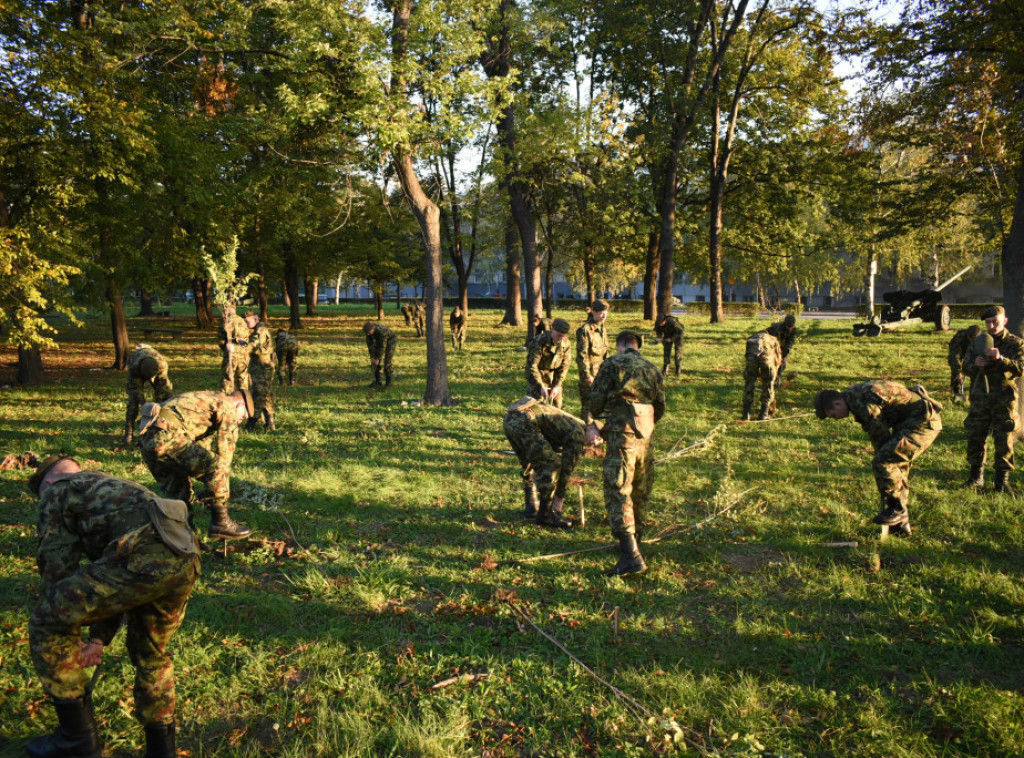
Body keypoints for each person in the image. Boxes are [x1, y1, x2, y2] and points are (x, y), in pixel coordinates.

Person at [24, 455, 200, 758]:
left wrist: (68, 625)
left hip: (141, 559)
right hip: (185, 558)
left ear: (49, 482)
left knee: (47, 621)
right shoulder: (111, 487)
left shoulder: (58, 490)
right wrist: (97, 639)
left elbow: (56, 564)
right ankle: (162, 752)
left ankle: (76, 741)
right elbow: (113, 574)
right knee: (151, 655)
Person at [587, 330, 666, 576]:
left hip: (623, 431)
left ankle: (630, 555)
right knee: (641, 487)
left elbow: (595, 399)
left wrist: (597, 419)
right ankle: (636, 540)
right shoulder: (652, 368)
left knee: (618, 487)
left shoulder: (612, 363)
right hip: (646, 432)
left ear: (620, 345)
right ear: (638, 346)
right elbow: (661, 405)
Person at [814, 380, 943, 529]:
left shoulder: (861, 400)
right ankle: (900, 523)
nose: (835, 419)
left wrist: (883, 481)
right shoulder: (853, 396)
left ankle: (897, 509)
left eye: (832, 415)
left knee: (884, 461)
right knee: (894, 465)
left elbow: (879, 434)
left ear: (837, 404)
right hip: (912, 422)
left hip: (923, 424)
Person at [138, 389, 254, 540]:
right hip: (168, 437)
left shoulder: (208, 399)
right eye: (243, 415)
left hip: (148, 439)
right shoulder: (227, 405)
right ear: (240, 404)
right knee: (219, 466)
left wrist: (209, 487)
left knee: (179, 494)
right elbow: (225, 450)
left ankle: (185, 540)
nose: (242, 420)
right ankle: (221, 523)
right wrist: (219, 493)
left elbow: (200, 449)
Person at [503, 397, 598, 528]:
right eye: (597, 436)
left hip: (510, 418)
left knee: (530, 461)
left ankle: (532, 507)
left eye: (601, 442)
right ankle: (546, 516)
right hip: (525, 421)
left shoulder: (574, 423)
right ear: (591, 426)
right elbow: (566, 469)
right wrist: (559, 499)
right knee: (552, 465)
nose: (596, 443)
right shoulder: (578, 434)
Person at [962, 305, 1024, 494]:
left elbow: (1020, 368)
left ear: (1004, 321)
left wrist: (1001, 358)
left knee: (1004, 440)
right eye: (987, 322)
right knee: (975, 436)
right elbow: (965, 367)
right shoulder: (978, 342)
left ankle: (1002, 482)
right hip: (980, 398)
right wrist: (975, 364)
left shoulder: (1015, 343)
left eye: (995, 321)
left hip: (1004, 400)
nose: (991, 326)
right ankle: (976, 478)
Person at [123, 345, 174, 446]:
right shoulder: (134, 366)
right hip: (138, 370)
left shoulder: (161, 365)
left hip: (157, 369)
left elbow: (162, 391)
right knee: (134, 401)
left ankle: (165, 429)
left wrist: (158, 408)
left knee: (166, 398)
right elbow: (136, 391)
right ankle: (128, 432)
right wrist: (144, 406)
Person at [526, 318, 573, 408]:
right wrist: (540, 385)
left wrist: (557, 385)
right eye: (559, 335)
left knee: (557, 407)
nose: (561, 338)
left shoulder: (566, 343)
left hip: (553, 376)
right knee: (536, 408)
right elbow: (532, 366)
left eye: (564, 336)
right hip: (537, 376)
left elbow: (564, 366)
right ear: (552, 330)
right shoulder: (539, 342)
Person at [576, 299, 609, 424]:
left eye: (606, 312)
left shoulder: (603, 329)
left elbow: (605, 353)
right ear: (593, 312)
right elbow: (582, 356)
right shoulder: (585, 330)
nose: (604, 315)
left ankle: (597, 433)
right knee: (588, 407)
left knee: (600, 405)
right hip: (590, 376)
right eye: (600, 312)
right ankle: (585, 436)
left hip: (601, 375)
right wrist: (587, 376)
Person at [741, 330, 783, 421]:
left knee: (749, 384)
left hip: (751, 359)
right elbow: (778, 358)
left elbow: (747, 355)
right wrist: (776, 374)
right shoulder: (773, 339)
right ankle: (764, 414)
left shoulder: (751, 339)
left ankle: (746, 414)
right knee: (768, 384)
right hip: (767, 360)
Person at [247, 317, 277, 430]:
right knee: (266, 393)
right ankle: (270, 422)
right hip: (262, 364)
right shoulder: (259, 328)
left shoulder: (261, 330)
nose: (246, 323)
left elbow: (254, 343)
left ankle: (252, 422)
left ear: (256, 319)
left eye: (248, 321)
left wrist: (243, 347)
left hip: (263, 366)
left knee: (259, 393)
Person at [217, 304, 251, 394]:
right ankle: (244, 398)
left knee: (228, 377)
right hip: (244, 353)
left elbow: (221, 340)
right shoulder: (242, 321)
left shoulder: (225, 321)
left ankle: (227, 399)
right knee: (243, 377)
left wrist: (225, 349)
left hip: (231, 352)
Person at [948, 324, 982, 402]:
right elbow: (954, 356)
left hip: (973, 354)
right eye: (969, 338)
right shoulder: (959, 338)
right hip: (960, 351)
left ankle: (977, 390)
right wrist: (958, 372)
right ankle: (958, 391)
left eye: (973, 339)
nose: (970, 340)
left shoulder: (982, 339)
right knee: (956, 370)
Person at [764, 314, 798, 392]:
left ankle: (776, 381)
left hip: (780, 347)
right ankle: (770, 382)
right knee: (773, 364)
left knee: (782, 365)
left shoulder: (793, 330)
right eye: (788, 327)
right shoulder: (777, 329)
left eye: (791, 327)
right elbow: (773, 342)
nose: (790, 328)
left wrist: (784, 356)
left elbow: (789, 343)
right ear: (785, 324)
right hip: (769, 345)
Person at [363, 321, 398, 388]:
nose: (367, 334)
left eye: (369, 332)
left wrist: (378, 358)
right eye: (366, 333)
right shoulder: (368, 333)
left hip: (391, 340)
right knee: (374, 362)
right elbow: (371, 346)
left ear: (372, 329)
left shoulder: (382, 332)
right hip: (380, 341)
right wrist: (373, 357)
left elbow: (382, 347)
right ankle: (377, 381)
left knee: (387, 361)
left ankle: (388, 382)